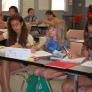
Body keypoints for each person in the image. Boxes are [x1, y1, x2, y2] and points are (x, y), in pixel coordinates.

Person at [0, 15, 34, 92]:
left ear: (21, 23)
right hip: (10, 60)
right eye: (12, 25)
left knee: (4, 64)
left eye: (17, 24)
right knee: (3, 64)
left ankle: (5, 90)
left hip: (23, 62)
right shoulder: (10, 33)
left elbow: (31, 53)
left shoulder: (28, 37)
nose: (15, 27)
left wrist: (21, 48)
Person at [62, 17, 92, 92]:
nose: (91, 35)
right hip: (88, 75)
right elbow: (84, 58)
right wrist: (74, 56)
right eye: (90, 33)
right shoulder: (88, 41)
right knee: (66, 86)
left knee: (87, 90)